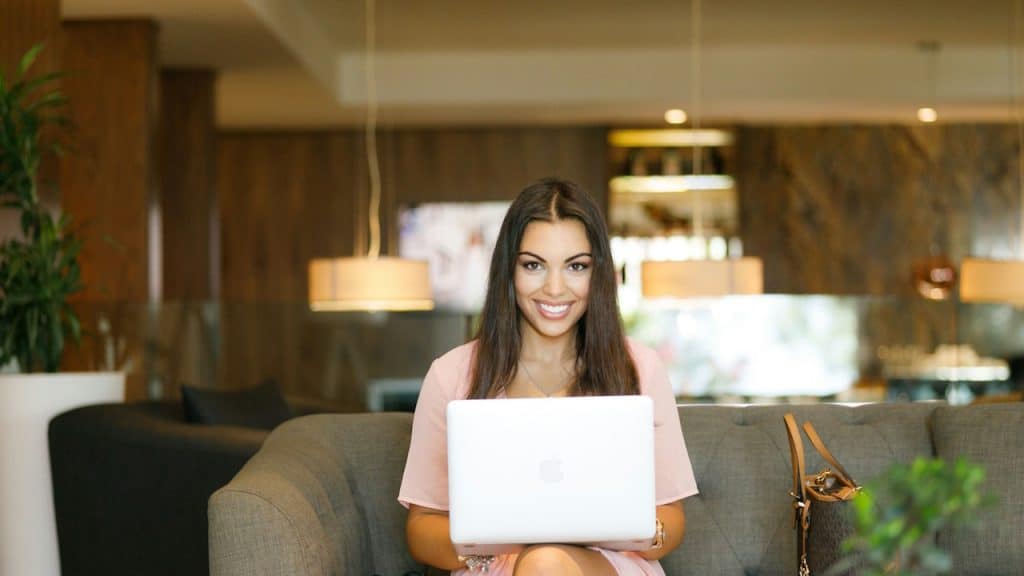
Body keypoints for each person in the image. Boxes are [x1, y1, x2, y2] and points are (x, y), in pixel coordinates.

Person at [398, 177, 698, 575]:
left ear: (599, 274)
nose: (555, 288)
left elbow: (671, 518)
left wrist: (641, 533)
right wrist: (506, 540)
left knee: (546, 564)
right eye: (534, 265)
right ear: (509, 270)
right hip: (492, 566)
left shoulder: (640, 368)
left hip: (606, 567)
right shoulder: (450, 375)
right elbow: (421, 529)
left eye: (576, 266)